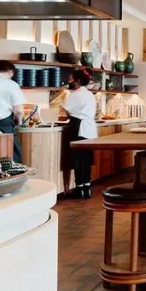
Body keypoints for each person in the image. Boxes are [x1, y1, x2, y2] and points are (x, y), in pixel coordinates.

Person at [62, 69, 98, 199]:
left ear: (77, 81)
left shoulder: (75, 94)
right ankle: (87, 188)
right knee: (87, 159)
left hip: (78, 126)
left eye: (70, 79)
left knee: (78, 159)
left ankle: (79, 189)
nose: (69, 81)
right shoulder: (90, 94)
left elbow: (67, 111)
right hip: (89, 128)